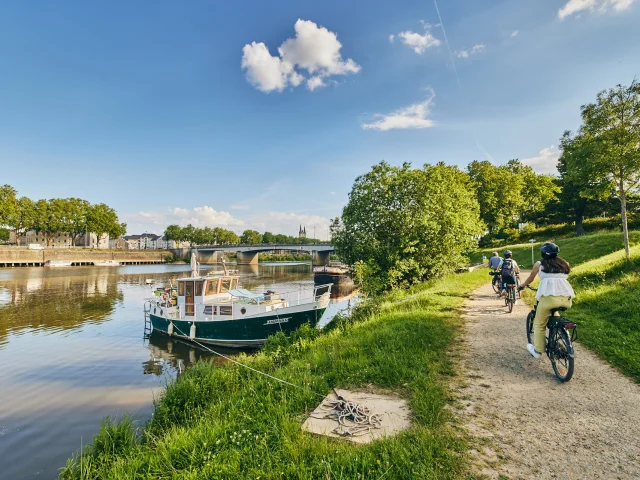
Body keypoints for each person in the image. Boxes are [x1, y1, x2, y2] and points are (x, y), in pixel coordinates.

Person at [519, 242, 576, 359]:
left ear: (543, 253)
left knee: (539, 324)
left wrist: (523, 285)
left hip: (549, 300)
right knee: (556, 317)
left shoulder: (539, 264)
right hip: (566, 299)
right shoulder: (564, 264)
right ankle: (565, 338)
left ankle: (538, 351)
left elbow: (530, 278)